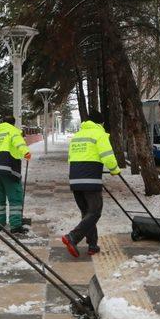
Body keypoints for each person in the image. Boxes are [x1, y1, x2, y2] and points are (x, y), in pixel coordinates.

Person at [62, 109, 120, 257]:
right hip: (90, 178)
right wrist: (114, 169)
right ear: (100, 123)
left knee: (87, 213)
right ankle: (73, 237)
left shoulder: (77, 135)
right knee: (95, 211)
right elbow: (107, 155)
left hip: (75, 179)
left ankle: (92, 245)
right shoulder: (99, 134)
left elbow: (70, 157)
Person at [0, 116, 31, 235]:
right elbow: (19, 143)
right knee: (15, 197)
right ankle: (15, 226)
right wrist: (26, 152)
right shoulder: (12, 130)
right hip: (8, 169)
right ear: (13, 123)